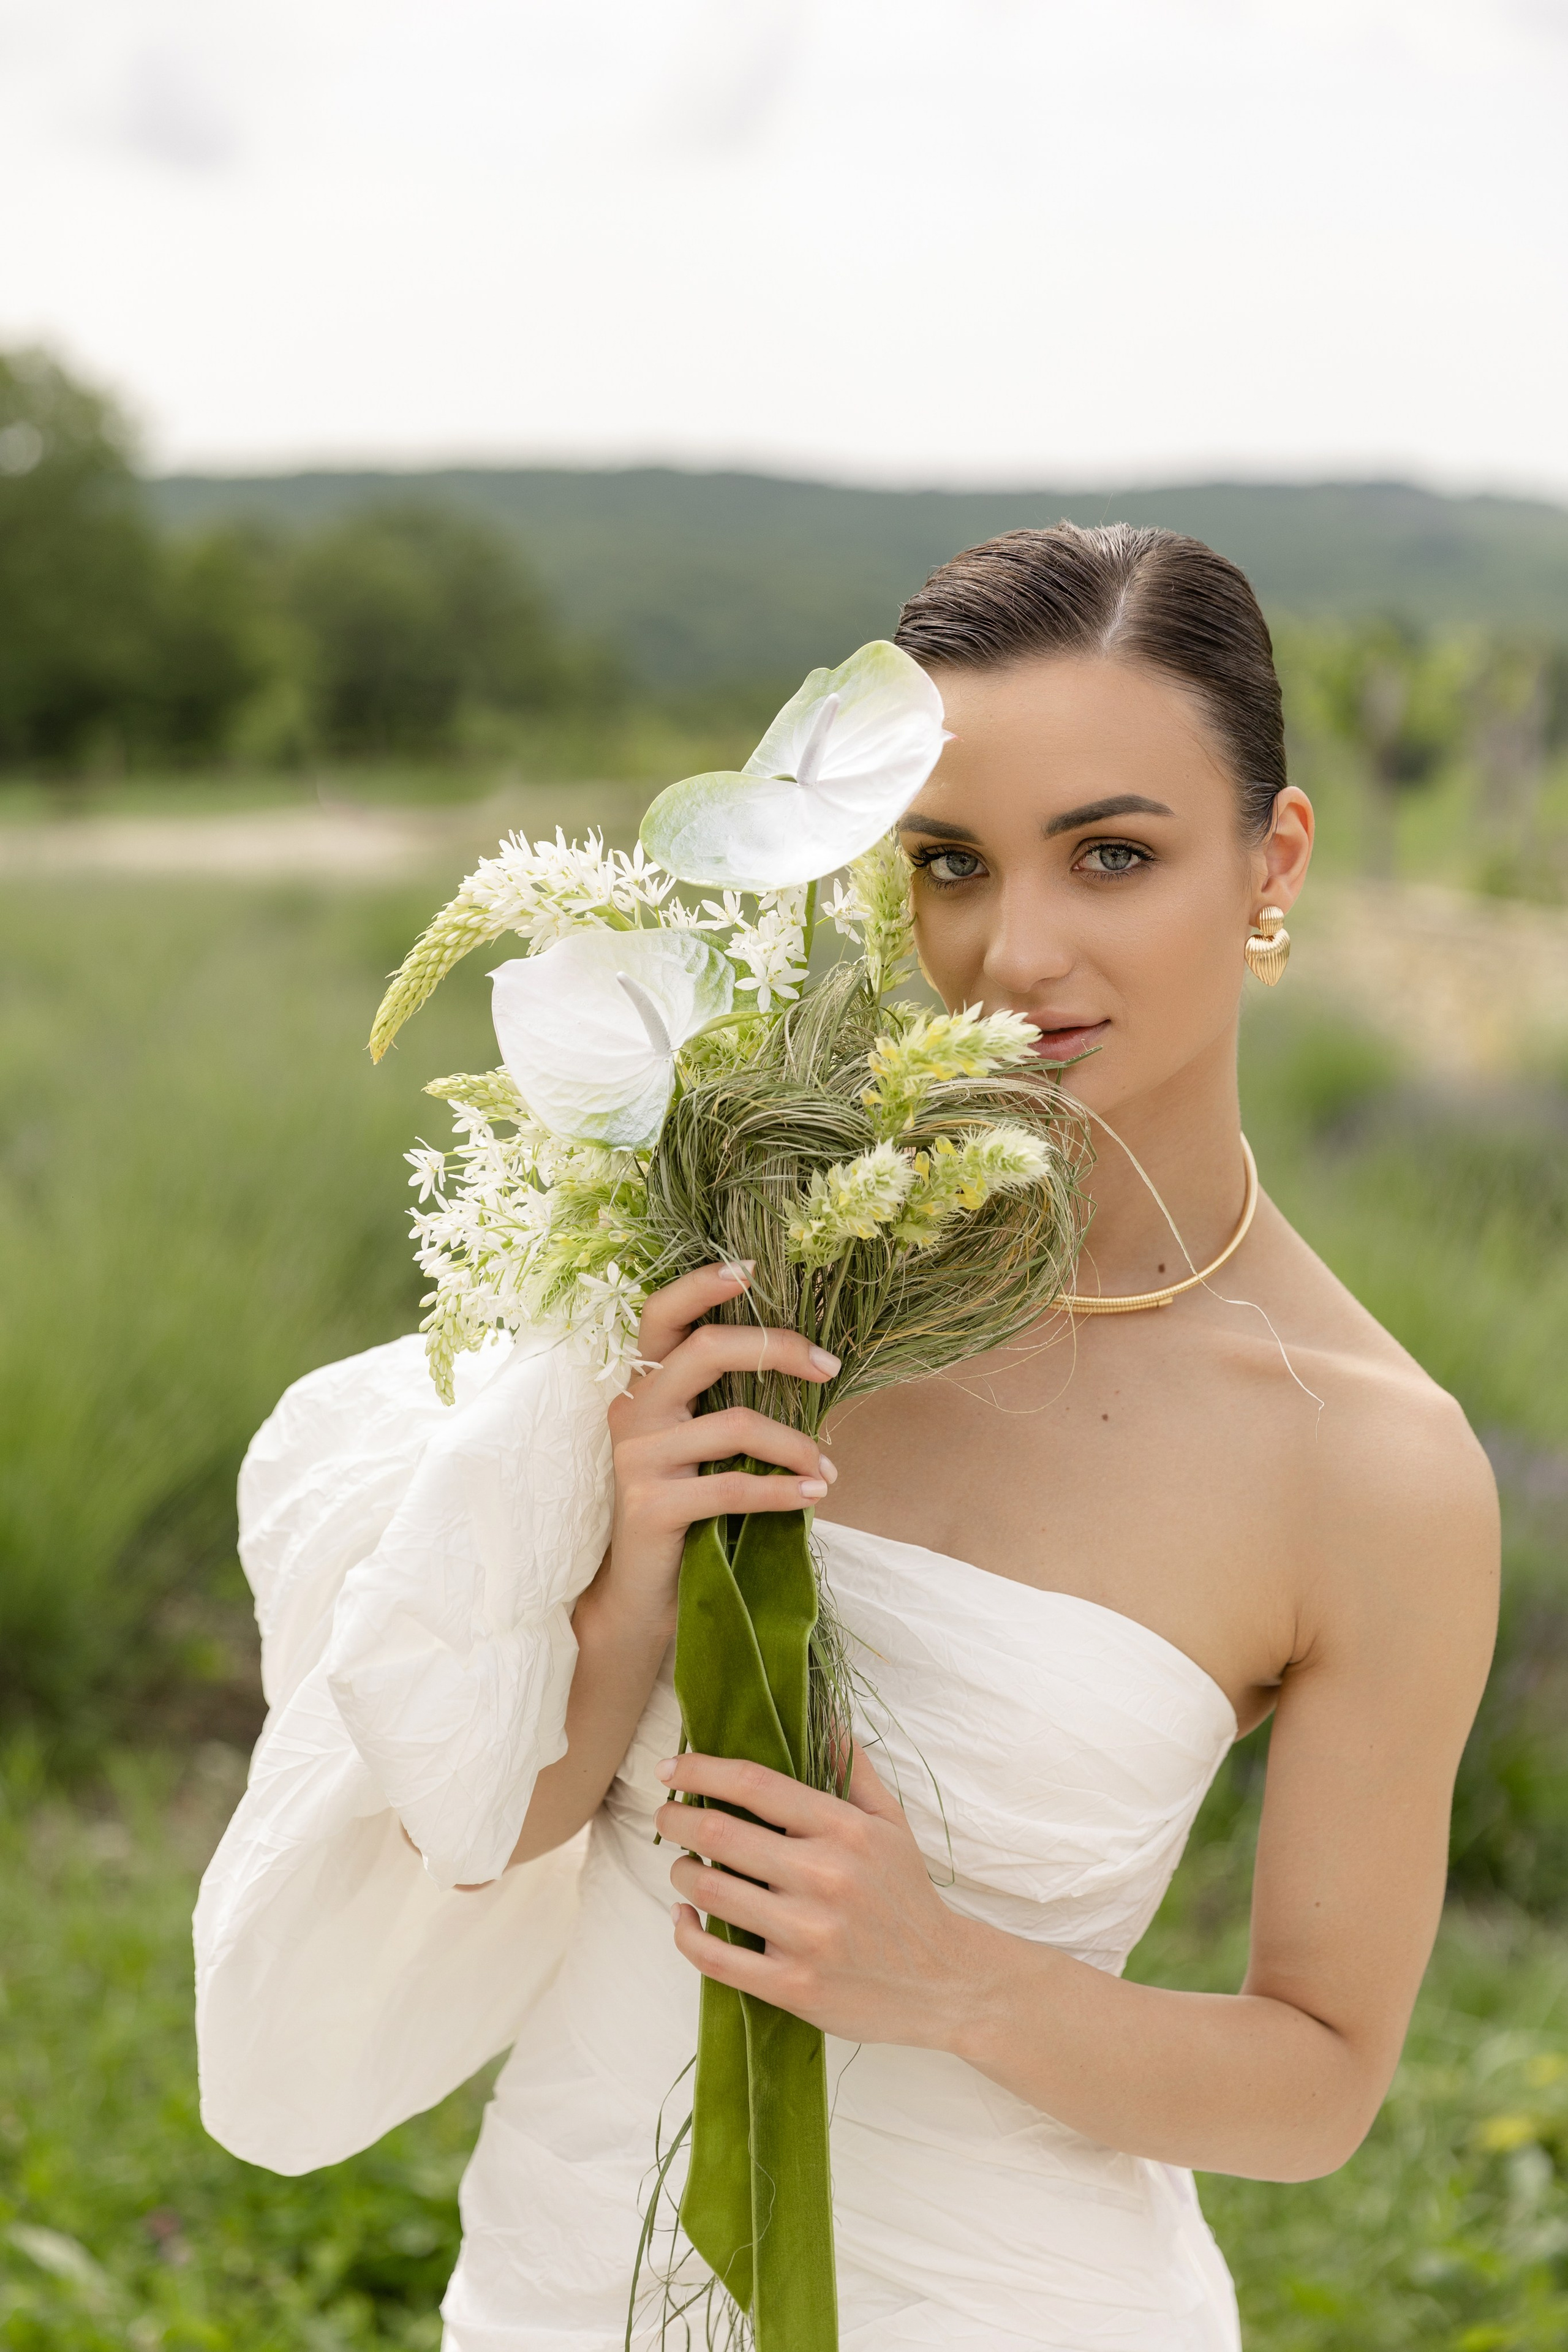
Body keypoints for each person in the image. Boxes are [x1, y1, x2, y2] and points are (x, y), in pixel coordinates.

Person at [196, 524, 1498, 2351]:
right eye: (951, 862)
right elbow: (502, 1821)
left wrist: (954, 1981)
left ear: (1271, 858)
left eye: (1114, 855)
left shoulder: (1374, 1467)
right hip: (565, 2284)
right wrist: (622, 1581)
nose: (1015, 952)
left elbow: (1322, 2082)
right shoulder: (745, 1257)